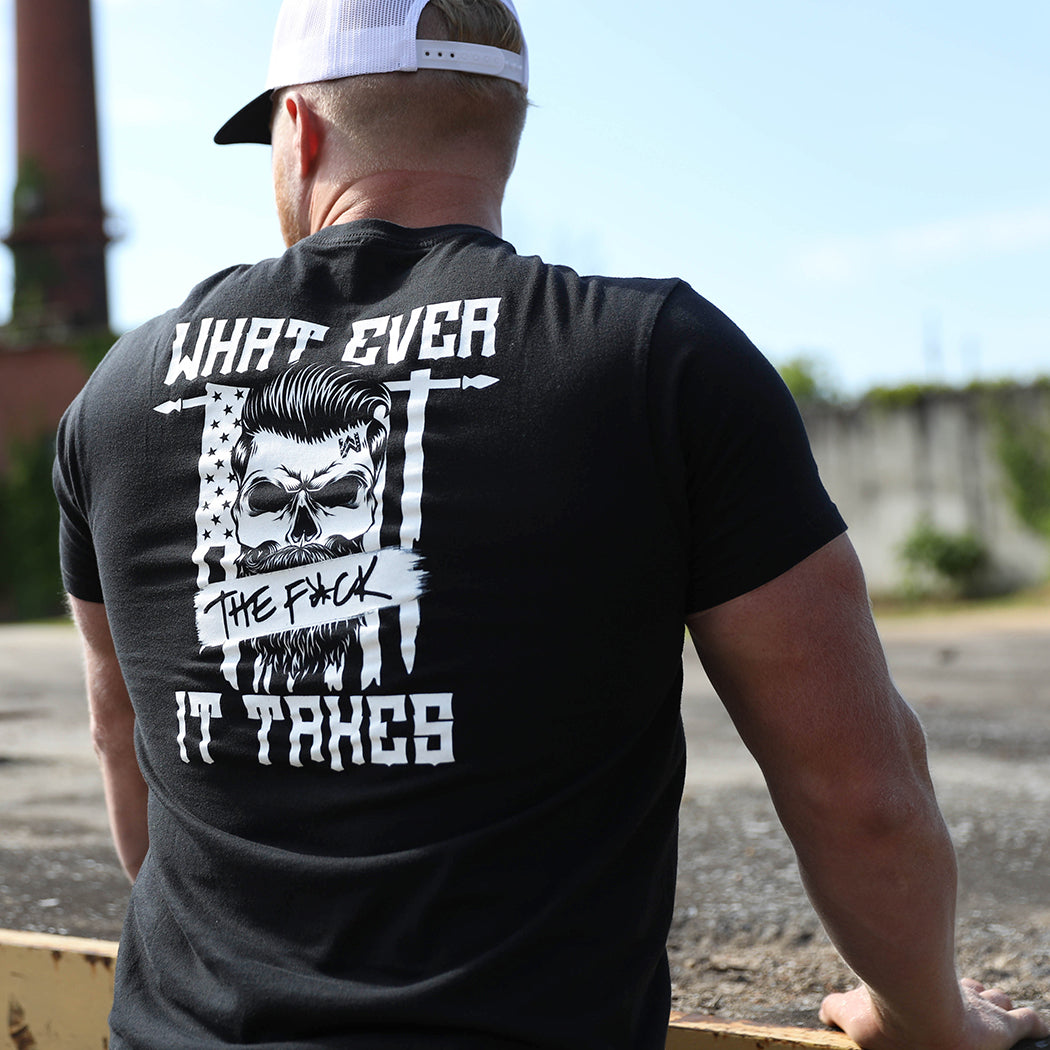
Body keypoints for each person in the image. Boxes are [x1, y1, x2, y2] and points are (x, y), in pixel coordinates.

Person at [53, 1, 1048, 1048]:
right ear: (507, 122)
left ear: (298, 131)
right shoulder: (654, 361)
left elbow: (130, 748)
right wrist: (925, 1019)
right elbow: (860, 788)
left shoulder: (118, 397)